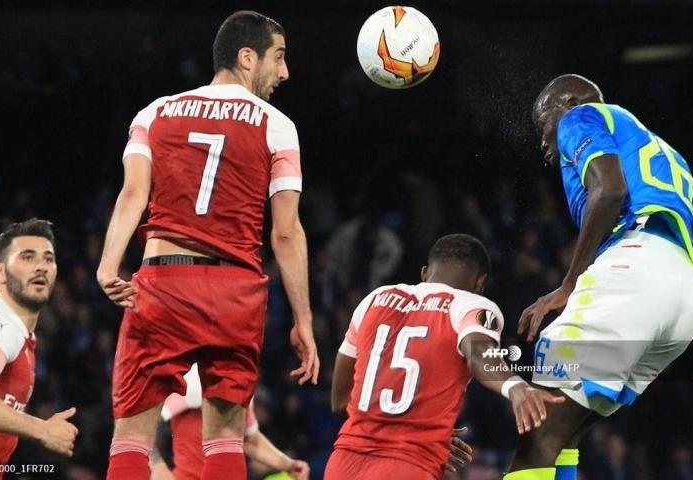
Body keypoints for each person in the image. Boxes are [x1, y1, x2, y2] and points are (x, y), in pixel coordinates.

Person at [96, 10, 319, 480]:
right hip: (235, 291)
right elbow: (285, 231)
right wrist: (303, 319)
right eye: (278, 58)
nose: (284, 72)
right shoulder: (277, 125)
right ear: (245, 57)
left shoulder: (154, 113)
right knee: (224, 438)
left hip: (165, 281)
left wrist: (108, 264)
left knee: (132, 440)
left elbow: (133, 193)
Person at [506, 74, 693, 480]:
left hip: (633, 271)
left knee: (539, 422)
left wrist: (569, 284)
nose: (543, 143)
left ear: (566, 102)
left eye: (541, 125)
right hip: (685, 292)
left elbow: (610, 190)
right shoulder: (658, 147)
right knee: (563, 425)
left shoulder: (579, 116)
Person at [325, 234, 564, 480]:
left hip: (343, 463)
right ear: (480, 283)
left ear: (425, 273)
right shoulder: (472, 305)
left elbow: (341, 400)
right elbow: (479, 354)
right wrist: (515, 386)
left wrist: (424, 430)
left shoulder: (374, 299)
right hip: (408, 467)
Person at [0, 219, 78, 476]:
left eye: (48, 259)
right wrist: (42, 429)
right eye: (27, 258)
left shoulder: (21, 333)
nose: (41, 267)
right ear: (0, 272)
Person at [149, 364, 310, 480]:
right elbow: (141, 429)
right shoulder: (191, 379)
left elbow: (250, 440)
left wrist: (288, 465)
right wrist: (159, 471)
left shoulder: (241, 381)